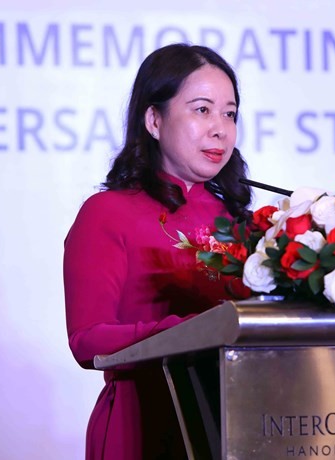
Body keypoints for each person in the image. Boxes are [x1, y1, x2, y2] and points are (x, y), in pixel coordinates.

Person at [63, 43, 252, 459]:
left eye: (230, 113)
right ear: (153, 119)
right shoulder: (107, 213)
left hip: (235, 424)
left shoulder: (239, 221)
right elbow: (86, 340)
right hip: (142, 426)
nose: (220, 128)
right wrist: (190, 332)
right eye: (202, 110)